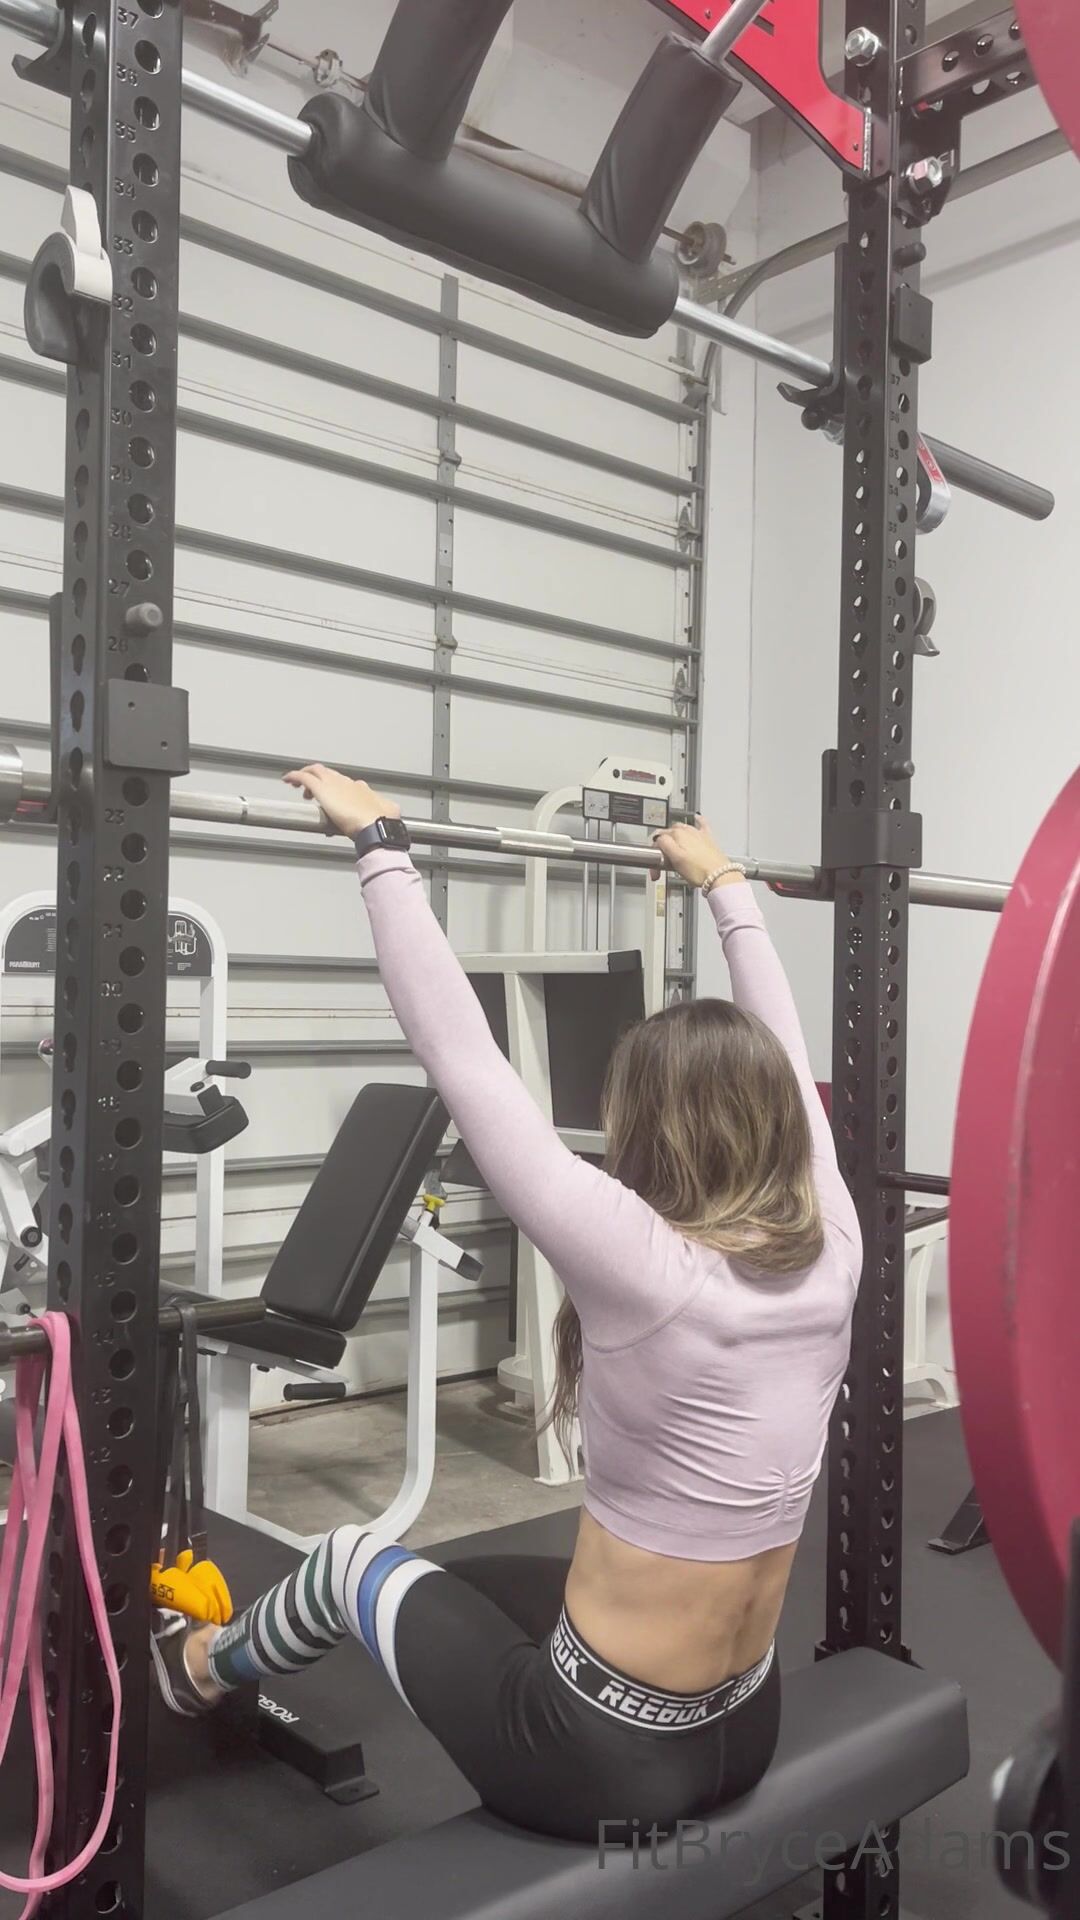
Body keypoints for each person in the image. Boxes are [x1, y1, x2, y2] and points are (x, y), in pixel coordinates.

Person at [152, 765, 861, 1845]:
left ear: (646, 1127)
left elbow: (461, 1058)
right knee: (469, 1586)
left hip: (592, 1757)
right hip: (741, 1726)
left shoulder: (646, 1263)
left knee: (346, 1565)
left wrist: (380, 848)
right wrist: (727, 887)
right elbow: (788, 1057)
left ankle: (198, 1668)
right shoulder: (834, 1243)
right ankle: (272, 1655)